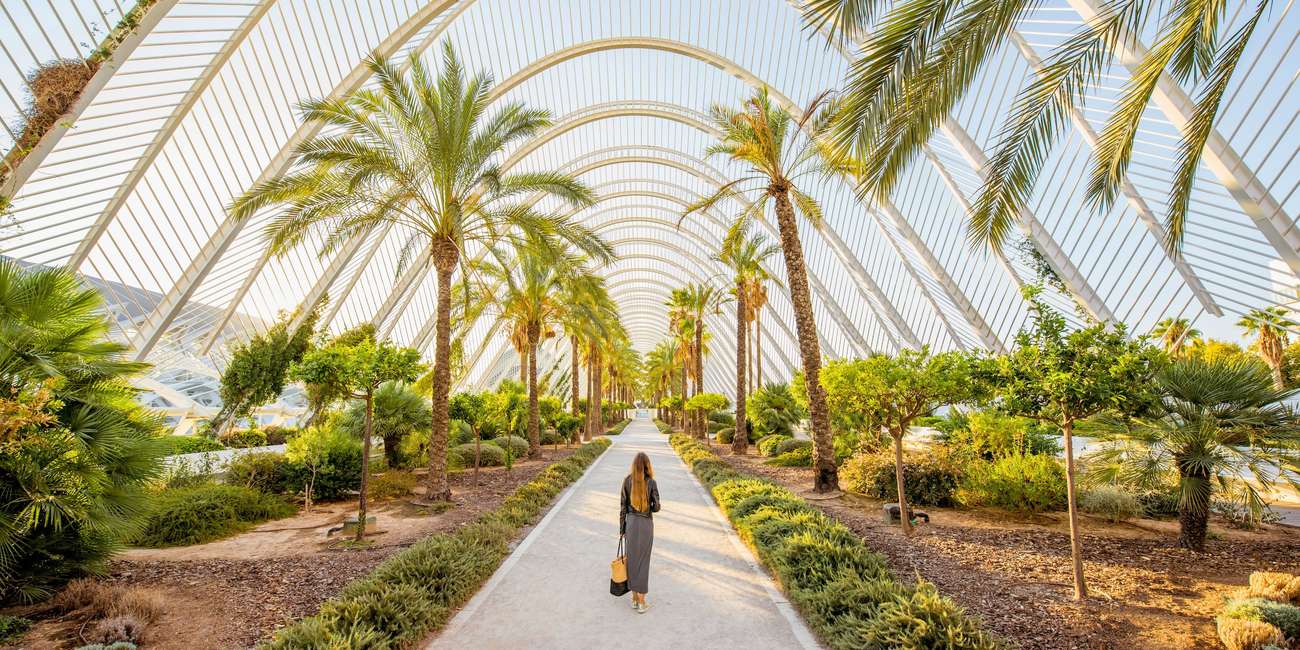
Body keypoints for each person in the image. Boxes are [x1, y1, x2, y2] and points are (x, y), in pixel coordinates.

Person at [619, 452, 660, 613]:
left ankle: (635, 599)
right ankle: (642, 602)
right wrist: (652, 502)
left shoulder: (627, 481)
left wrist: (622, 529)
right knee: (643, 562)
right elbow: (656, 507)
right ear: (647, 465)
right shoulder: (651, 482)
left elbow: (623, 507)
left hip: (631, 523)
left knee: (632, 561)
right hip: (646, 525)